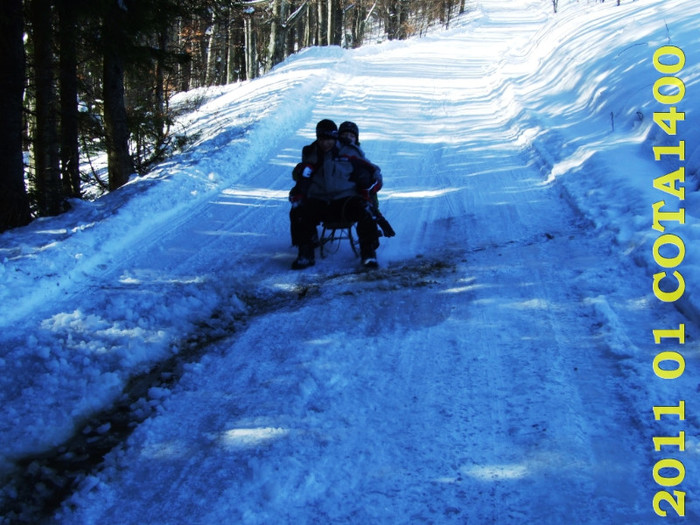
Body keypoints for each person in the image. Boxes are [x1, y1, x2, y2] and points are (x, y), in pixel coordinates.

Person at [289, 119, 382, 270]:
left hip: (345, 200)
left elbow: (372, 171)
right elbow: (302, 178)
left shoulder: (349, 151)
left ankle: (368, 252)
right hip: (320, 199)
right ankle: (305, 252)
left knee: (365, 209)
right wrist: (298, 193)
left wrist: (368, 186)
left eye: (329, 139)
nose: (325, 143)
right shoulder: (311, 153)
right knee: (299, 210)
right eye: (322, 139)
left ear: (335, 137)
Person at [337, 121, 395, 238]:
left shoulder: (356, 153)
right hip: (337, 193)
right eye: (344, 135)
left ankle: (375, 216)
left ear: (356, 139)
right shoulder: (332, 150)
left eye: (351, 136)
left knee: (368, 187)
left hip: (353, 192)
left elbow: (370, 167)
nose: (348, 138)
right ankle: (375, 217)